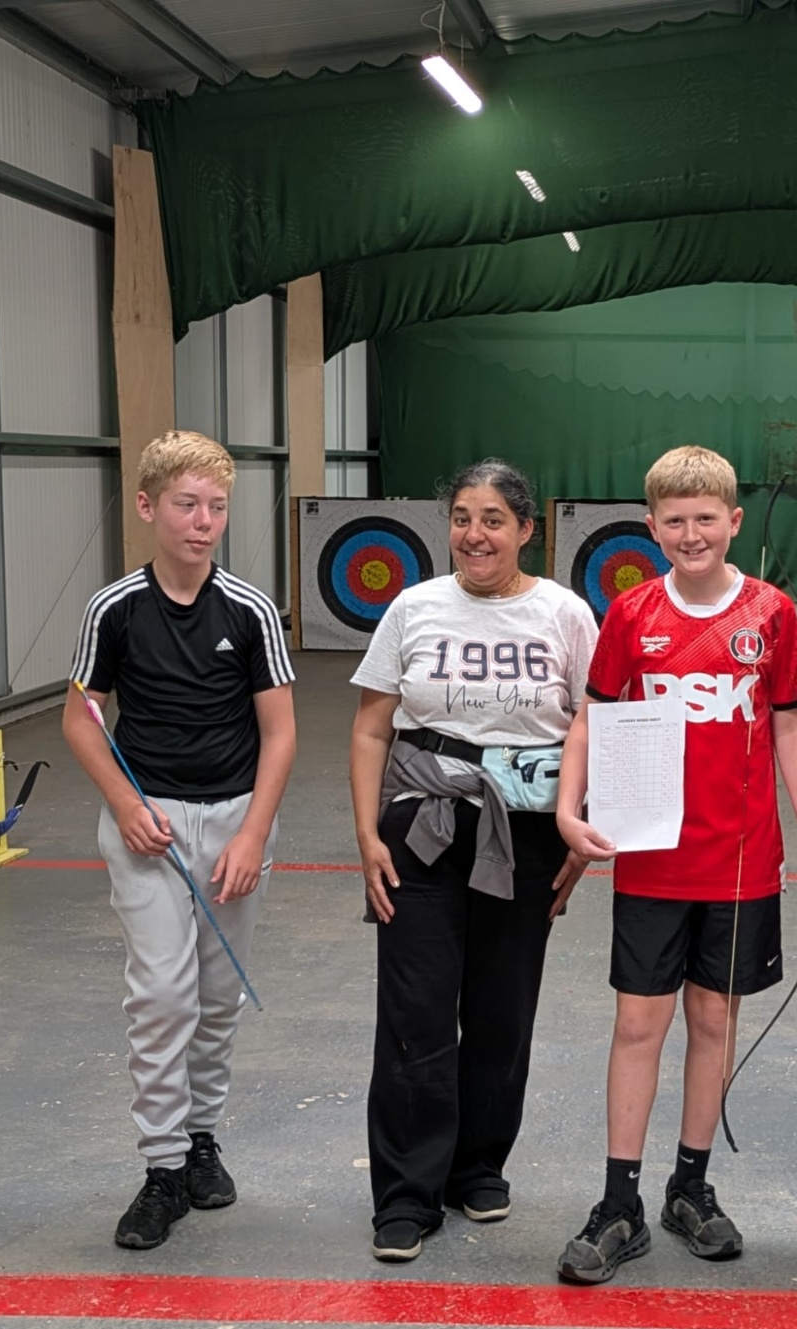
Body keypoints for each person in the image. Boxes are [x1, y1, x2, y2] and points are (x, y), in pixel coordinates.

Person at [554, 445, 797, 1285]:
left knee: (714, 1024)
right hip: (651, 859)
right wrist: (569, 809)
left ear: (734, 522)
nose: (692, 534)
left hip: (740, 862)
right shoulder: (630, 614)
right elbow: (593, 717)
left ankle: (690, 1186)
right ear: (652, 528)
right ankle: (619, 1204)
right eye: (675, 521)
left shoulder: (772, 613)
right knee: (638, 1026)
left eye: (706, 519)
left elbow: (789, 722)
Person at [349, 460, 598, 1263]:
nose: (474, 534)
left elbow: (595, 727)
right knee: (416, 1010)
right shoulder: (413, 607)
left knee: (501, 1009)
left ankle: (478, 1166)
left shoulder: (566, 613)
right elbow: (371, 728)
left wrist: (582, 832)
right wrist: (367, 835)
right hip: (421, 827)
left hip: (527, 835)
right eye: (462, 517)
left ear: (526, 530)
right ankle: (405, 1194)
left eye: (493, 520)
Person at [64, 430, 296, 1249]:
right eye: (186, 505)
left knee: (217, 995)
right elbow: (81, 718)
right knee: (163, 994)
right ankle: (162, 1167)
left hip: (234, 823)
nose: (203, 522)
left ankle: (201, 1141)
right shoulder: (114, 608)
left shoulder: (251, 610)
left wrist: (252, 834)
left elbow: (280, 733)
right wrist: (126, 805)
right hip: (149, 828)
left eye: (216, 507)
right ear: (147, 506)